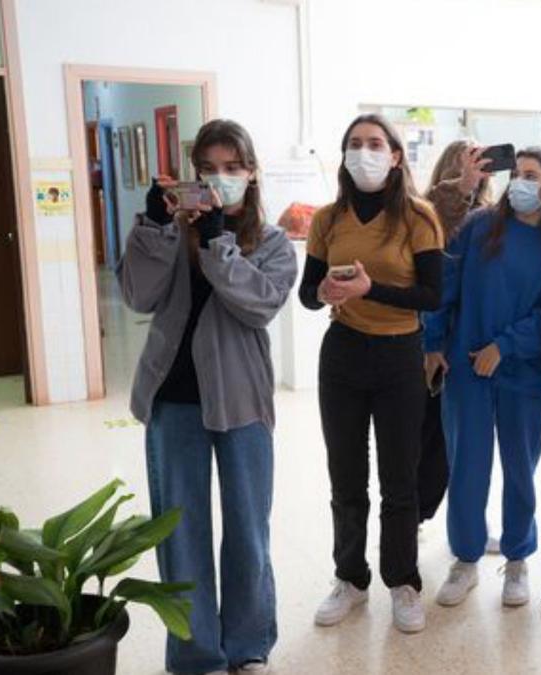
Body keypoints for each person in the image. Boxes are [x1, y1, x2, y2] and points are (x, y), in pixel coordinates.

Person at [118, 119, 297, 675]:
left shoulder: (270, 243)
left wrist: (219, 239)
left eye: (232, 168)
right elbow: (137, 296)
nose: (220, 179)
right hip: (173, 399)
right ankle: (196, 655)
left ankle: (247, 646)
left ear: (251, 173)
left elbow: (258, 305)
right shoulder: (170, 235)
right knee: (182, 530)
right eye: (208, 170)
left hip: (241, 400)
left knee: (248, 527)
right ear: (190, 178)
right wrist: (152, 224)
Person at [299, 113, 445, 634]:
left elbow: (433, 295)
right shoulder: (327, 218)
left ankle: (402, 580)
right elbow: (307, 293)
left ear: (396, 156)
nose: (365, 152)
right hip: (341, 354)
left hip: (399, 354)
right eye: (355, 144)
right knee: (345, 475)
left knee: (399, 477)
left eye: (376, 143)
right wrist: (323, 293)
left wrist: (371, 290)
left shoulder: (419, 217)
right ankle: (350, 578)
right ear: (343, 155)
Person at [424, 147, 541, 608]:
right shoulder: (481, 225)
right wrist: (433, 342)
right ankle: (465, 559)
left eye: (532, 175)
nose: (520, 182)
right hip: (467, 367)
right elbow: (445, 285)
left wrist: (504, 346)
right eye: (517, 174)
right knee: (467, 465)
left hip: (522, 371)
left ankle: (518, 558)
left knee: (520, 469)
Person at [418, 140, 496, 526]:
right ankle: (415, 518)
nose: (478, 171)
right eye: (468, 165)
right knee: (431, 441)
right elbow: (436, 287)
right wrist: (433, 343)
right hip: (434, 343)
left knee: (459, 447)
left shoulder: (490, 220)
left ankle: (465, 523)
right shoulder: (431, 213)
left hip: (467, 344)